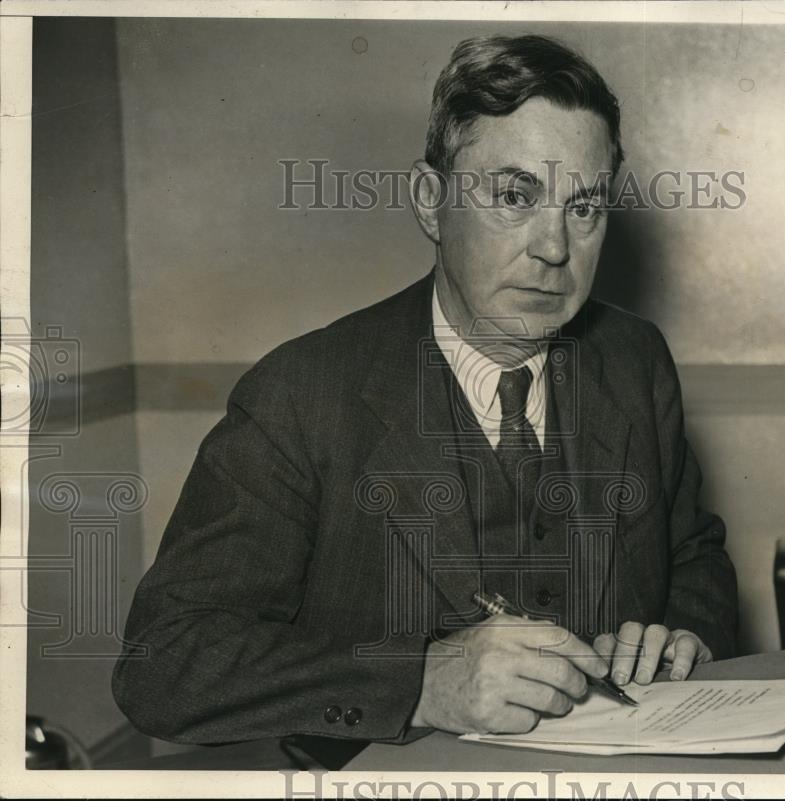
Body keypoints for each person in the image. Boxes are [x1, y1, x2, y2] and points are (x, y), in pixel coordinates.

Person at [113, 33, 737, 745]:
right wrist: (420, 681)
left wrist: (686, 635)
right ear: (429, 202)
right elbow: (160, 662)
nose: (556, 247)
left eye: (585, 207)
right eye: (513, 195)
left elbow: (695, 554)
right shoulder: (300, 394)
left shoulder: (634, 360)